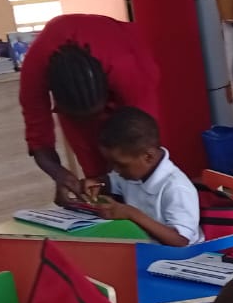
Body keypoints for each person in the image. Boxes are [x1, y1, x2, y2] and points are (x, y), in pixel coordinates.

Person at [18, 14, 161, 204]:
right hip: (75, 94)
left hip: (124, 57)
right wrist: (60, 175)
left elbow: (146, 141)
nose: (92, 123)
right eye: (82, 118)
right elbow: (38, 139)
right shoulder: (35, 71)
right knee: (96, 176)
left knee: (136, 160)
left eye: (94, 114)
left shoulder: (128, 69)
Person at [82, 107, 203, 247]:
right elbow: (111, 182)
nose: (116, 170)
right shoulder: (131, 174)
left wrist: (131, 213)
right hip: (146, 247)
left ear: (148, 157)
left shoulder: (176, 188)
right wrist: (97, 183)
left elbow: (180, 240)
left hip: (184, 257)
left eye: (120, 165)